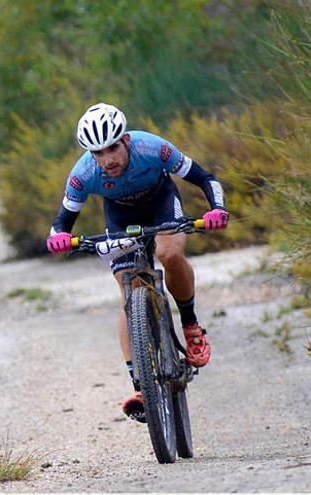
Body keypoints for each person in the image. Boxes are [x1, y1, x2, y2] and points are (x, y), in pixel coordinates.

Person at [46, 103, 228, 422]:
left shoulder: (153, 149)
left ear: (126, 140)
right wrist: (58, 237)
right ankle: (141, 384)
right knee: (129, 289)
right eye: (98, 153)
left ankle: (190, 324)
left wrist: (217, 210)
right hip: (120, 216)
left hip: (160, 202)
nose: (108, 159)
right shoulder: (83, 174)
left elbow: (205, 178)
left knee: (169, 254)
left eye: (113, 148)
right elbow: (62, 221)